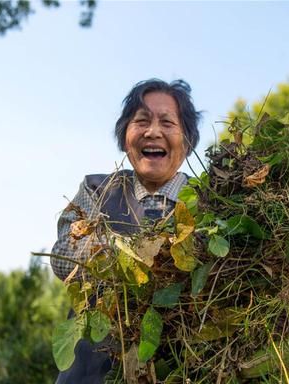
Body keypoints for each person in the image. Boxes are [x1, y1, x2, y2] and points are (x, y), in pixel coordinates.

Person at [51, 79, 201, 383]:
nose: (153, 132)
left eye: (168, 122)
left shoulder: (209, 203)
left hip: (180, 370)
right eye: (142, 121)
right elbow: (64, 256)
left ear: (186, 142)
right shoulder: (96, 190)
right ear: (125, 139)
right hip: (90, 374)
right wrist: (137, 256)